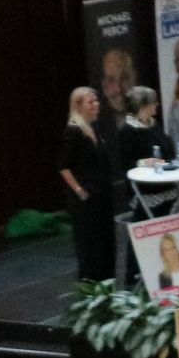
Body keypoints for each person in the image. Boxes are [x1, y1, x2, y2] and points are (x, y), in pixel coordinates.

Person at [59, 87, 122, 281]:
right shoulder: (73, 131)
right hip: (86, 197)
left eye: (96, 101)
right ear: (78, 106)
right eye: (91, 102)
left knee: (105, 239)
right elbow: (63, 166)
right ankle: (91, 282)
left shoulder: (94, 128)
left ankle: (107, 279)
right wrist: (78, 189)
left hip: (102, 192)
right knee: (90, 242)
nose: (96, 105)